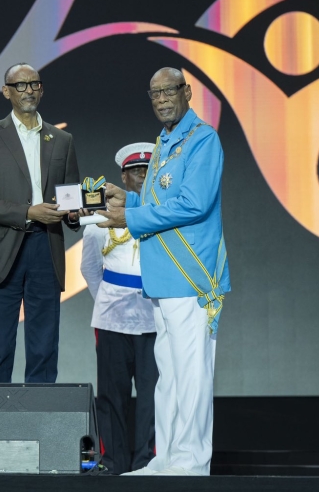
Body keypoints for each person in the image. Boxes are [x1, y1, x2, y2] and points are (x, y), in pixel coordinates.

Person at [96, 67, 231, 476]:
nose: (161, 100)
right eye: (154, 94)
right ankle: (167, 459)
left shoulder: (203, 139)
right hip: (161, 279)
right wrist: (129, 201)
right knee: (168, 377)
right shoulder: (164, 142)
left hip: (192, 276)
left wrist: (130, 218)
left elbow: (194, 204)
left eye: (169, 91)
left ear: (187, 92)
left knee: (192, 374)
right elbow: (159, 201)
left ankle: (192, 462)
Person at [0, 63, 80, 383]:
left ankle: (40, 426)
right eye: (20, 85)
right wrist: (29, 212)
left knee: (44, 346)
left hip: (46, 245)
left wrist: (73, 213)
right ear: (6, 92)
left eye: (34, 84)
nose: (28, 90)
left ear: (42, 89)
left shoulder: (62, 139)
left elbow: (70, 196)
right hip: (3, 248)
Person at [80, 142, 158, 475]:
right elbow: (90, 268)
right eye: (134, 172)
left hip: (156, 316)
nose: (140, 177)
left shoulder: (165, 214)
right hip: (112, 317)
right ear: (123, 179)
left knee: (154, 396)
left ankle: (149, 460)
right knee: (111, 395)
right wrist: (110, 299)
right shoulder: (100, 217)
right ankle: (113, 461)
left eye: (147, 171)